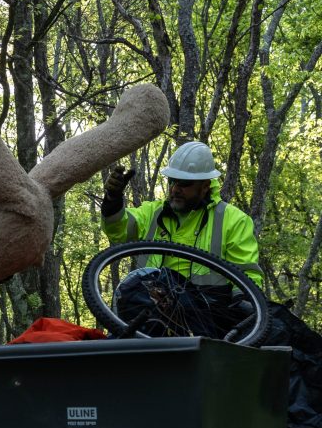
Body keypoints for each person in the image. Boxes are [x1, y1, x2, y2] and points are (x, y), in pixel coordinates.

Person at [100, 141, 263, 337]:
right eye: (172, 181)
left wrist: (243, 305)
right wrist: (113, 200)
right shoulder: (153, 212)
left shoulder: (233, 220)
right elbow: (119, 230)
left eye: (184, 184)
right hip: (152, 310)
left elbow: (247, 275)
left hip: (207, 317)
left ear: (205, 186)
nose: (176, 189)